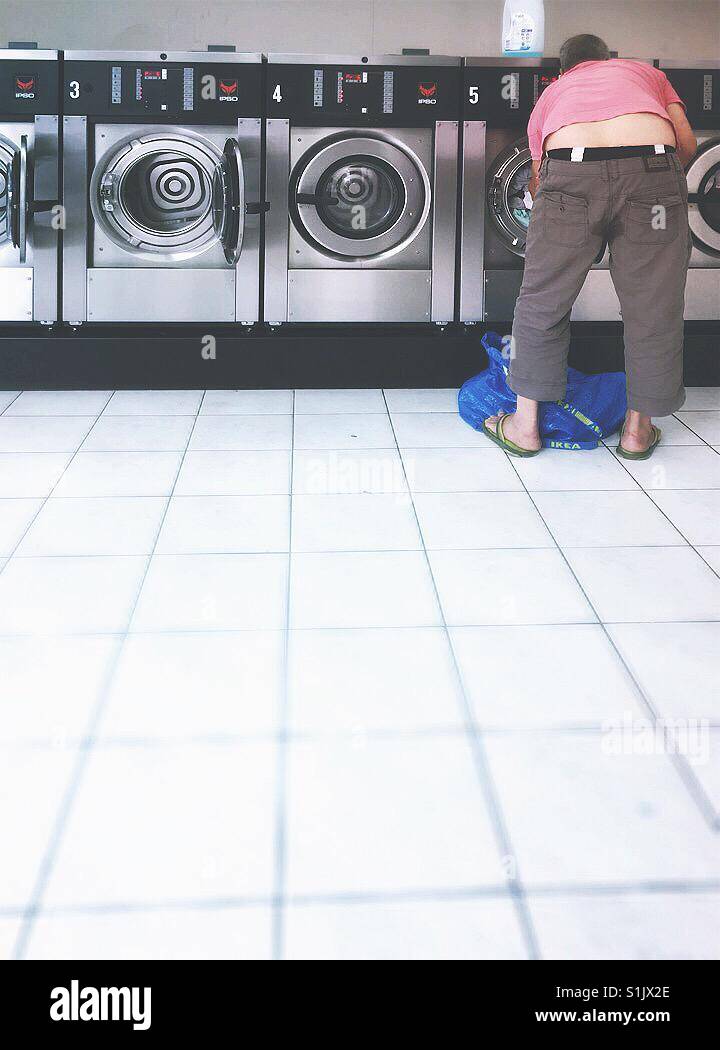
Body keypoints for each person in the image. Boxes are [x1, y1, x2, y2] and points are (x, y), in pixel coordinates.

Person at [484, 34, 697, 459]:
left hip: (570, 177)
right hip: (651, 178)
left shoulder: (554, 93)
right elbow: (685, 145)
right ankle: (637, 433)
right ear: (608, 60)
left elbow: (539, 176)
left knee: (542, 300)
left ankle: (524, 427)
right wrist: (651, 187)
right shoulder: (646, 72)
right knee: (653, 303)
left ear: (564, 71)